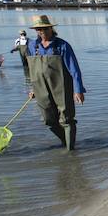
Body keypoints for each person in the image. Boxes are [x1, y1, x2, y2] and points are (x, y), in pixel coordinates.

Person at [25, 14, 87, 150]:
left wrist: (78, 90)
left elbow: (74, 69)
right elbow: (32, 70)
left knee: (66, 119)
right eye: (38, 29)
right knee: (48, 119)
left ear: (51, 28)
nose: (42, 32)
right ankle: (65, 139)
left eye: (45, 29)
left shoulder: (62, 46)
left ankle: (71, 150)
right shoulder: (32, 46)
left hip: (61, 86)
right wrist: (33, 89)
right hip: (41, 87)